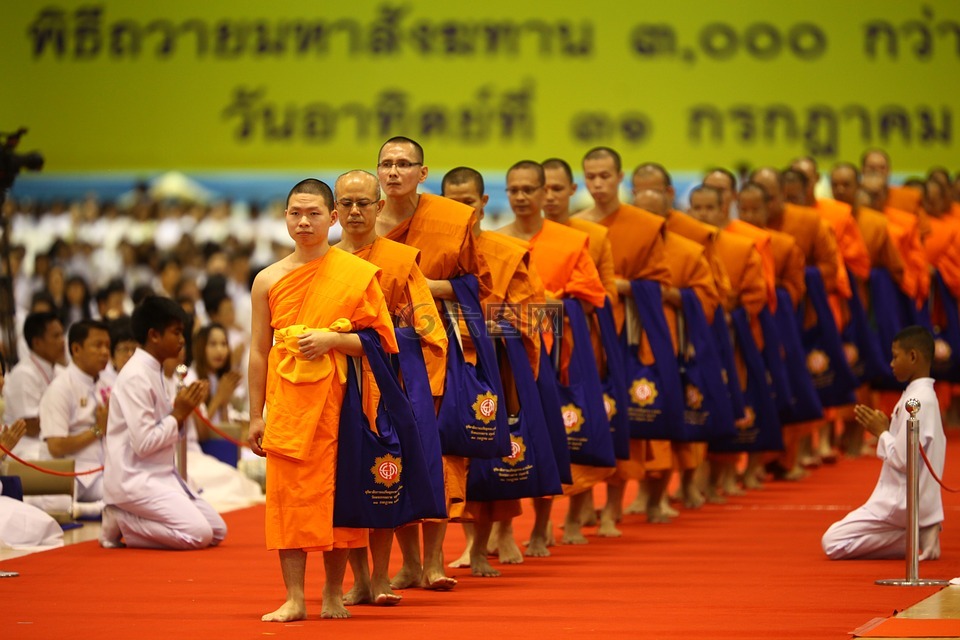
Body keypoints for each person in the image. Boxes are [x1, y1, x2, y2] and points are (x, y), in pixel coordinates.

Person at [247, 178, 397, 621]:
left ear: (332, 219)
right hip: (288, 407)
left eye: (314, 213)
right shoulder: (267, 279)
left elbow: (380, 341)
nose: (304, 221)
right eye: (296, 213)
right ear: (286, 217)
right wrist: (255, 415)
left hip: (341, 404)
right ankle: (295, 597)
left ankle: (333, 593)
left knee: (337, 498)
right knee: (289, 501)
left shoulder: (353, 274)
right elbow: (258, 350)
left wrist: (333, 338)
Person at [376, 136, 491, 591]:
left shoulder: (449, 218)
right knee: (396, 450)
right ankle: (407, 564)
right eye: (386, 163)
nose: (393, 172)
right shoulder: (364, 222)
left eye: (404, 164)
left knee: (440, 455)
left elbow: (475, 286)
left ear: (423, 174)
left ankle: (435, 561)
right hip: (384, 354)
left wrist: (424, 284)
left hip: (437, 350)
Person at [334, 169, 447, 603]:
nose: (356, 211)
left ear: (379, 207)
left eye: (364, 203)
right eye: (347, 203)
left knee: (383, 481)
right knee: (346, 483)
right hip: (338, 385)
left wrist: (380, 335)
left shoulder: (400, 261)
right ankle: (359, 580)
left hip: (387, 388)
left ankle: (380, 577)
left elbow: (428, 329)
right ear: (335, 211)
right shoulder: (321, 262)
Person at [574, 147, 673, 537]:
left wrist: (618, 285)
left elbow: (660, 284)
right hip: (584, 334)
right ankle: (581, 506)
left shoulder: (645, 225)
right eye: (591, 177)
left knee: (621, 417)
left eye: (605, 176)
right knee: (579, 414)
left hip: (627, 333)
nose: (598, 184)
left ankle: (612, 509)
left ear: (620, 178)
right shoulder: (575, 224)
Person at [100, 296, 226, 552]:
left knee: (216, 530)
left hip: (160, 474)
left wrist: (181, 411)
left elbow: (162, 427)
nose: (182, 340)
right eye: (176, 332)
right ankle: (122, 520)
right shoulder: (136, 376)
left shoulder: (154, 371)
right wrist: (178, 414)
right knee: (198, 534)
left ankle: (126, 519)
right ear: (154, 335)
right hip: (134, 477)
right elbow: (144, 444)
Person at [822, 326, 945, 560]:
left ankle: (913, 538)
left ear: (913, 357)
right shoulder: (918, 395)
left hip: (900, 500)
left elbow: (903, 459)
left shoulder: (918, 400)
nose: (891, 363)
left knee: (833, 541)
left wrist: (881, 432)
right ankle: (917, 534)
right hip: (903, 498)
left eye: (895, 356)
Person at [39, 320, 112, 515]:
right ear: (76, 349)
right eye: (98, 345)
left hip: (98, 472)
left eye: (107, 345)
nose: (105, 352)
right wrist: (98, 430)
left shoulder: (108, 383)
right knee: (56, 506)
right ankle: (90, 510)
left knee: (133, 493)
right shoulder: (60, 388)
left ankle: (83, 510)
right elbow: (55, 447)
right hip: (67, 474)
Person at [3, 311, 66, 458]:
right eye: (56, 336)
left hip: (52, 439)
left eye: (62, 334)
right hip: (25, 444)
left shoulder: (61, 371)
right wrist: (65, 415)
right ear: (37, 342)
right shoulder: (23, 374)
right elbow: (29, 427)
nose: (63, 341)